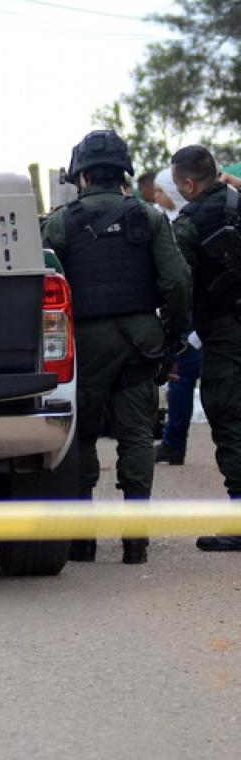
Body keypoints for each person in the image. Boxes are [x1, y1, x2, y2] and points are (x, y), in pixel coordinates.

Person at [42, 130, 191, 565]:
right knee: (137, 433)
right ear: (123, 174)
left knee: (82, 433)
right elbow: (178, 284)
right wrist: (172, 336)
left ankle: (83, 541)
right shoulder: (149, 218)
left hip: (85, 339)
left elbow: (45, 286)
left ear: (81, 176)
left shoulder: (60, 221)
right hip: (140, 338)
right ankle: (135, 541)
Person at [171, 145, 241, 551]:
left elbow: (178, 284)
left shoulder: (190, 221)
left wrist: (176, 336)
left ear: (189, 183)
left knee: (230, 417)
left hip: (226, 335)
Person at [151, 167, 201, 465]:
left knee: (182, 377)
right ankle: (173, 441)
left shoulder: (185, 225)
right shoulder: (162, 222)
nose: (156, 195)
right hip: (186, 313)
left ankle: (173, 442)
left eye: (160, 189)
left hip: (196, 313)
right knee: (179, 380)